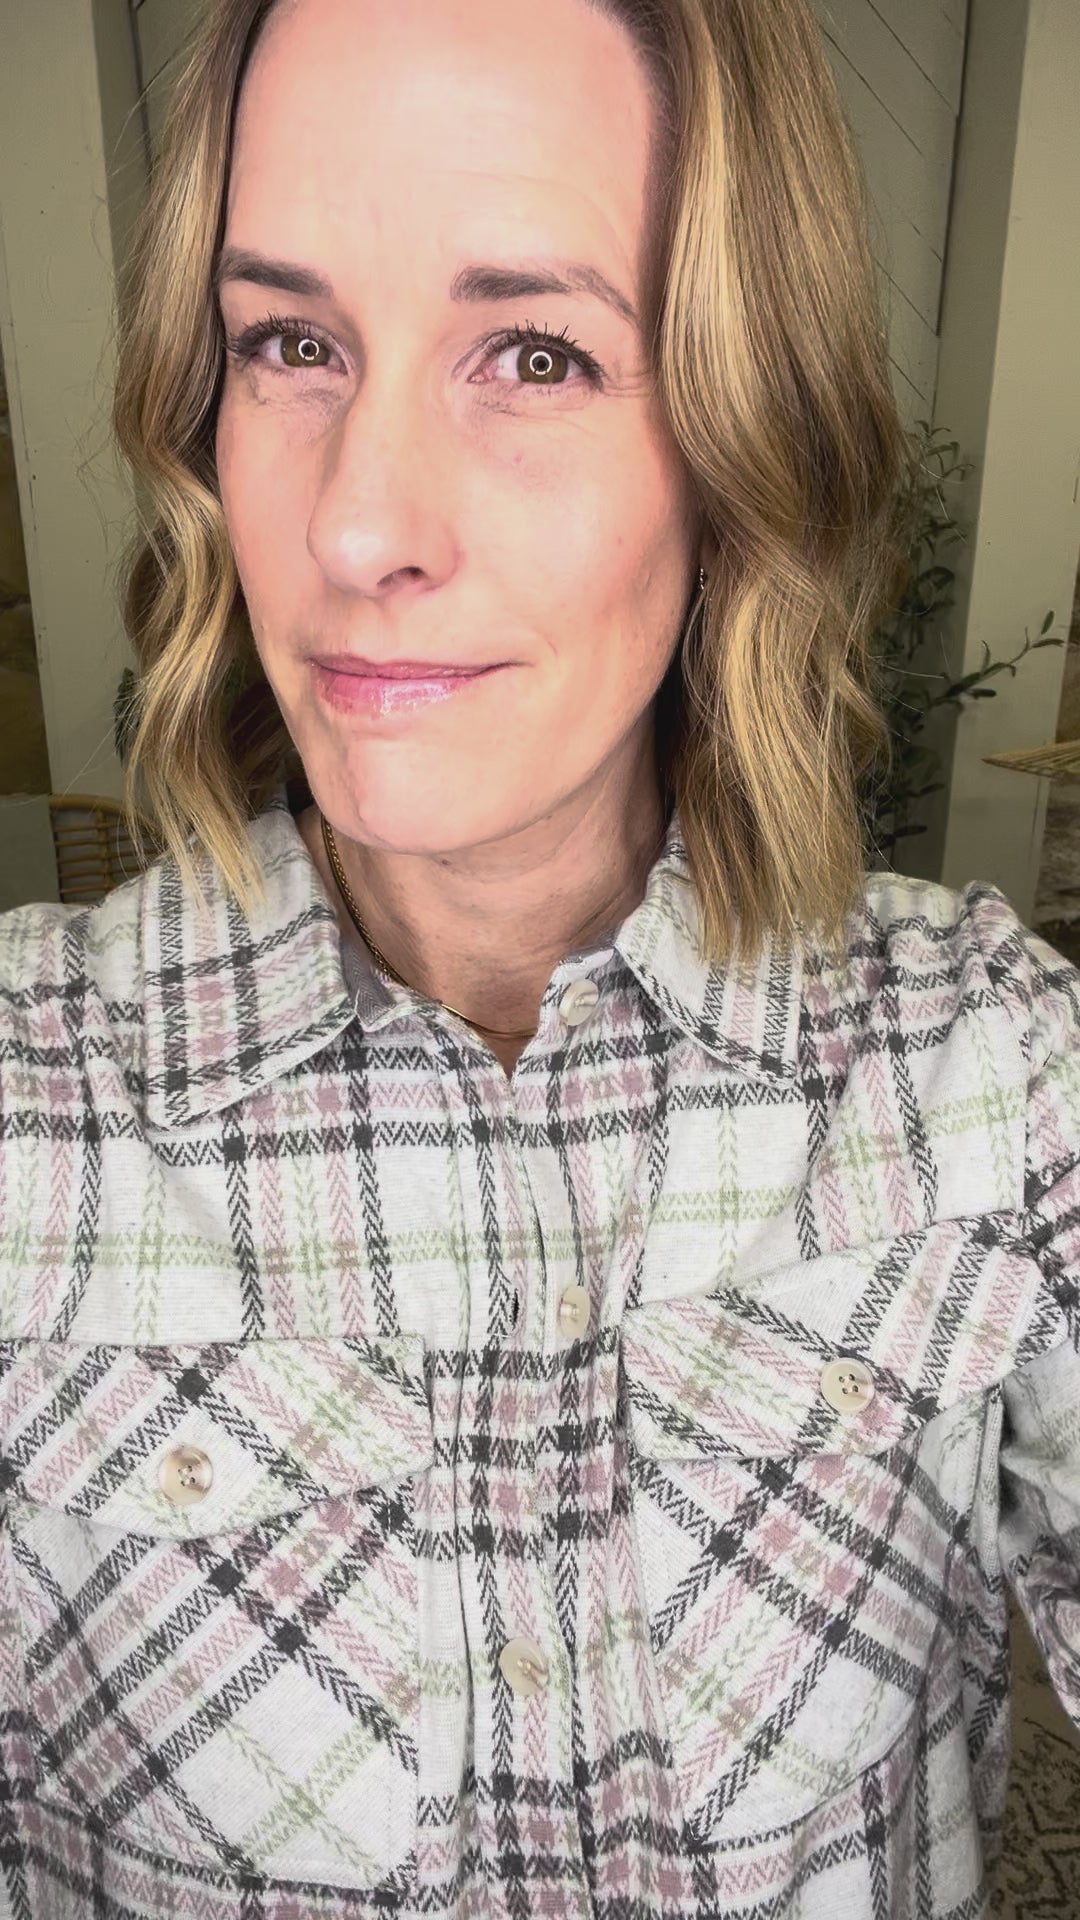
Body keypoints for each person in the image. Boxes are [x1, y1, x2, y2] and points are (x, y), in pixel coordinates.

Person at [1, 0, 1078, 1913]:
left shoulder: (991, 1071)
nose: (357, 524)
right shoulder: (31, 1105)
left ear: (743, 439)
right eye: (291, 344)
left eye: (535, 353)